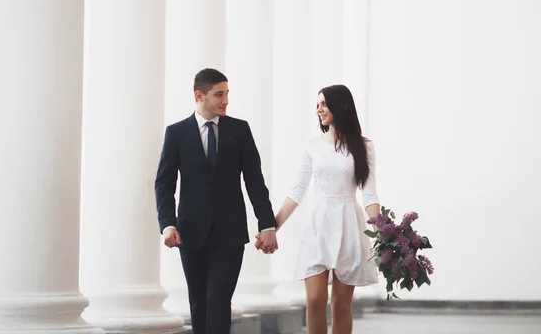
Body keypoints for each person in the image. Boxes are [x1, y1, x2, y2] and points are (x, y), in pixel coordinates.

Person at [155, 68, 278, 334]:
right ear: (200, 95)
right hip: (190, 233)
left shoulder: (240, 130)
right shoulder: (176, 133)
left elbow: (254, 180)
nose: (226, 100)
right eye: (219, 94)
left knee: (218, 302)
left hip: (230, 234)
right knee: (198, 304)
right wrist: (167, 224)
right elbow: (164, 183)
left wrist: (267, 224)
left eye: (227, 93)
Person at [256, 84, 381, 334]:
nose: (319, 109)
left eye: (324, 104)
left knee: (341, 305)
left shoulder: (364, 147)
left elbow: (369, 194)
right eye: (318, 105)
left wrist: (385, 232)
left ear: (341, 105)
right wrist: (271, 227)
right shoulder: (313, 145)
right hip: (318, 225)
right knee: (314, 300)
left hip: (349, 225)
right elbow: (297, 192)